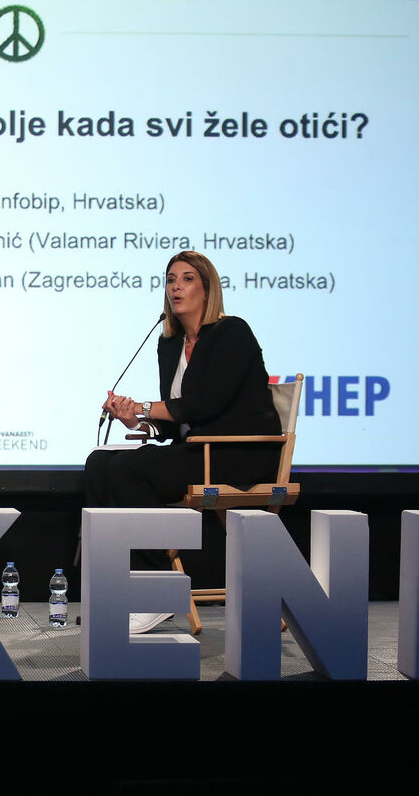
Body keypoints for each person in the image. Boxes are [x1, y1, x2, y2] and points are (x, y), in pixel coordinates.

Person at [85, 250, 280, 634]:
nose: (176, 287)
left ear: (207, 289)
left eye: (187, 279)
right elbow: (179, 423)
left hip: (238, 454)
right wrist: (137, 420)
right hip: (197, 450)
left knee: (128, 469)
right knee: (99, 463)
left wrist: (144, 406)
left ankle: (157, 591)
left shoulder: (232, 333)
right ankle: (116, 586)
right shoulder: (170, 344)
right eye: (171, 279)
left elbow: (205, 404)